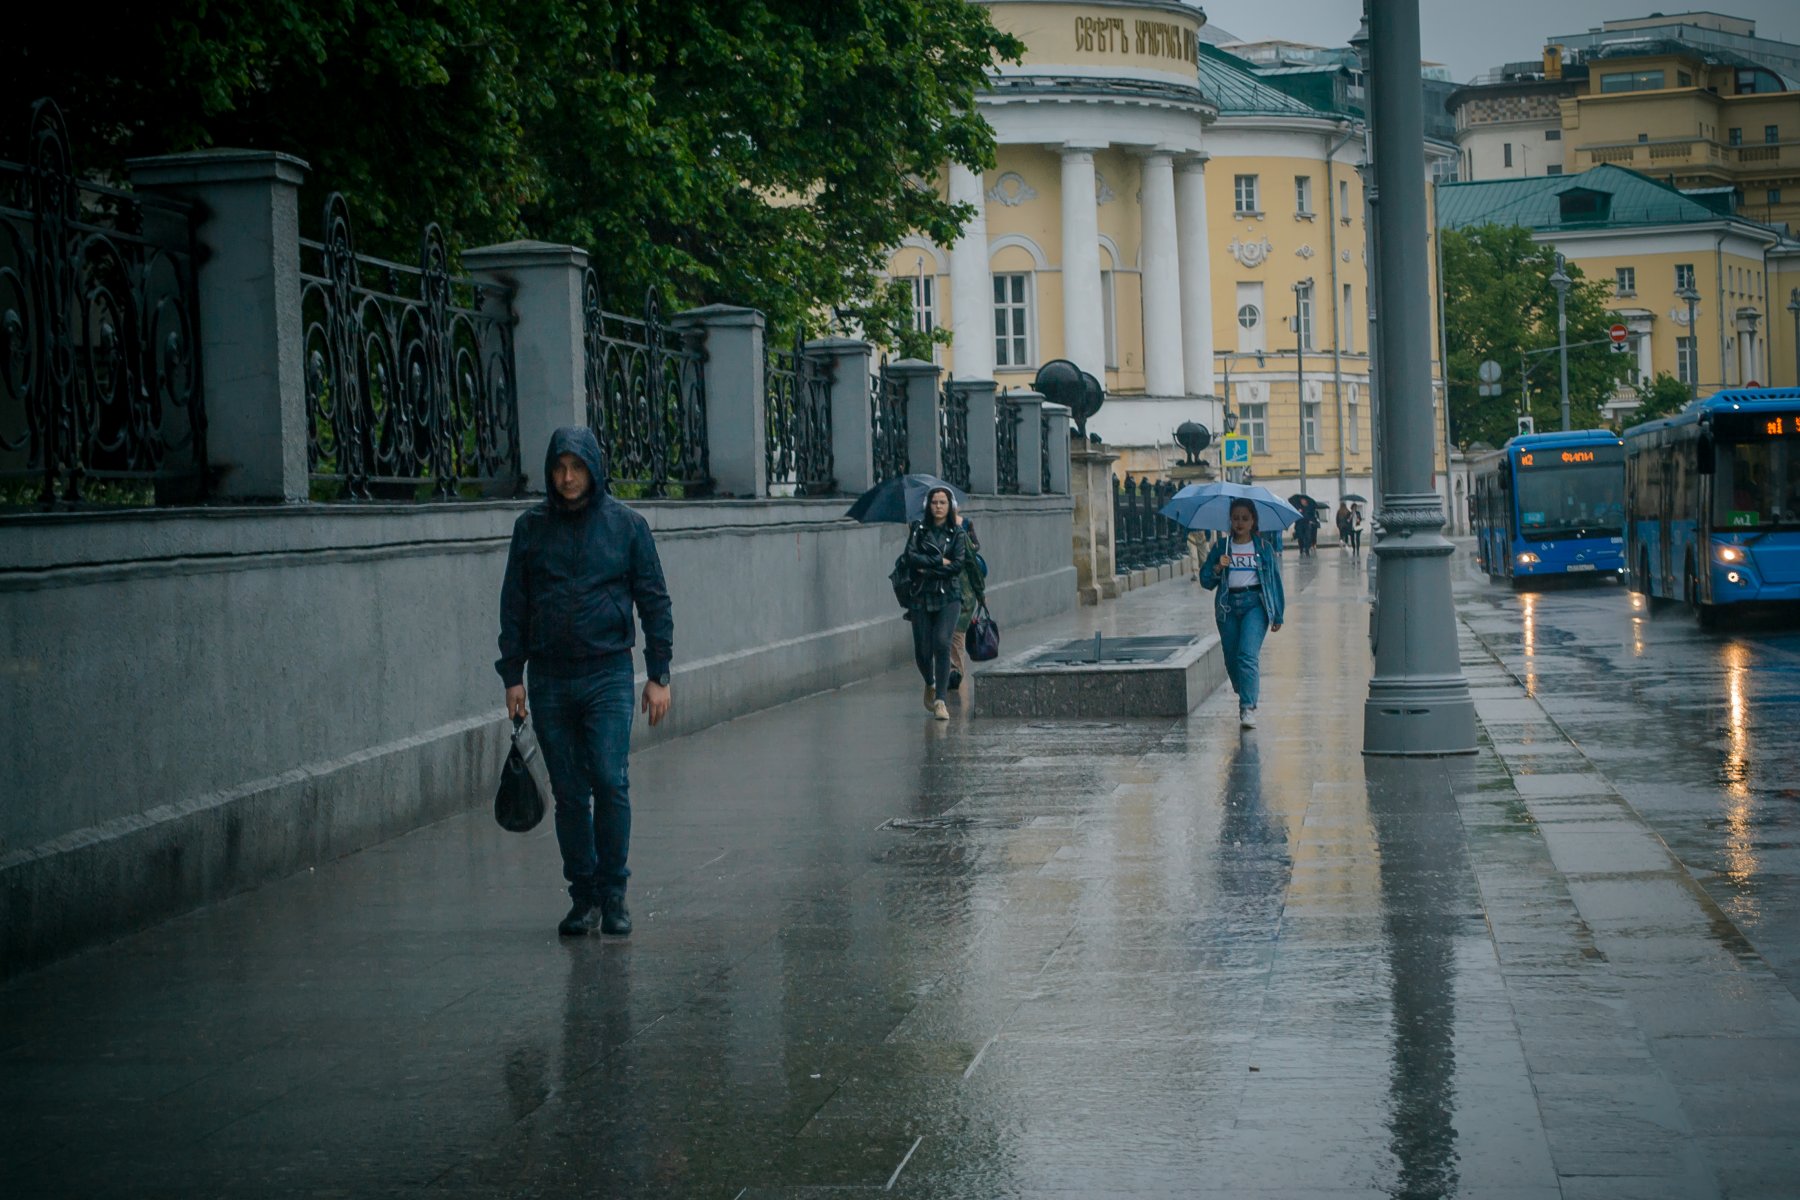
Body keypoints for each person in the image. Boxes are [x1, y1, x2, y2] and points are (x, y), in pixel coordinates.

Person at [497, 427, 673, 938]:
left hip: (608, 675)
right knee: (570, 793)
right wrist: (513, 674)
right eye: (559, 467)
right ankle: (583, 898)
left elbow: (654, 601)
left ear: (594, 468)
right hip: (549, 678)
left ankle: (614, 894)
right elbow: (515, 604)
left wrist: (658, 674)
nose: (567, 477)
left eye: (577, 467)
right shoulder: (530, 529)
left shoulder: (627, 527)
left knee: (610, 781)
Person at [1198, 498, 1286, 729]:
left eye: (1245, 518)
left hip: (1255, 605)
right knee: (1232, 658)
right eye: (1236, 518)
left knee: (1247, 655)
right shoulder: (1221, 547)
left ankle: (1248, 707)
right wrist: (1218, 567)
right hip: (1227, 606)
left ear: (1253, 521)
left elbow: (1274, 582)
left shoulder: (1264, 548)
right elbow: (1205, 580)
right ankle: (1245, 689)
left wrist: (1278, 614)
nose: (1239, 523)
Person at [903, 486, 969, 720]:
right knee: (922, 650)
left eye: (942, 502)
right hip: (921, 595)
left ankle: (940, 700)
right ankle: (930, 683)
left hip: (949, 595)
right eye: (934, 502)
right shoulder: (918, 530)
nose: (938, 507)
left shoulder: (957, 533)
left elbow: (957, 565)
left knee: (942, 642)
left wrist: (928, 568)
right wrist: (938, 561)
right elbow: (910, 557)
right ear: (928, 506)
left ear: (949, 505)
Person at [947, 513, 988, 698]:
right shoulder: (929, 533)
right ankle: (949, 672)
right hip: (940, 594)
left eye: (943, 503)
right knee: (945, 637)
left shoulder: (963, 527)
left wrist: (980, 594)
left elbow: (973, 557)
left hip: (964, 593)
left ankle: (955, 673)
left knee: (956, 635)